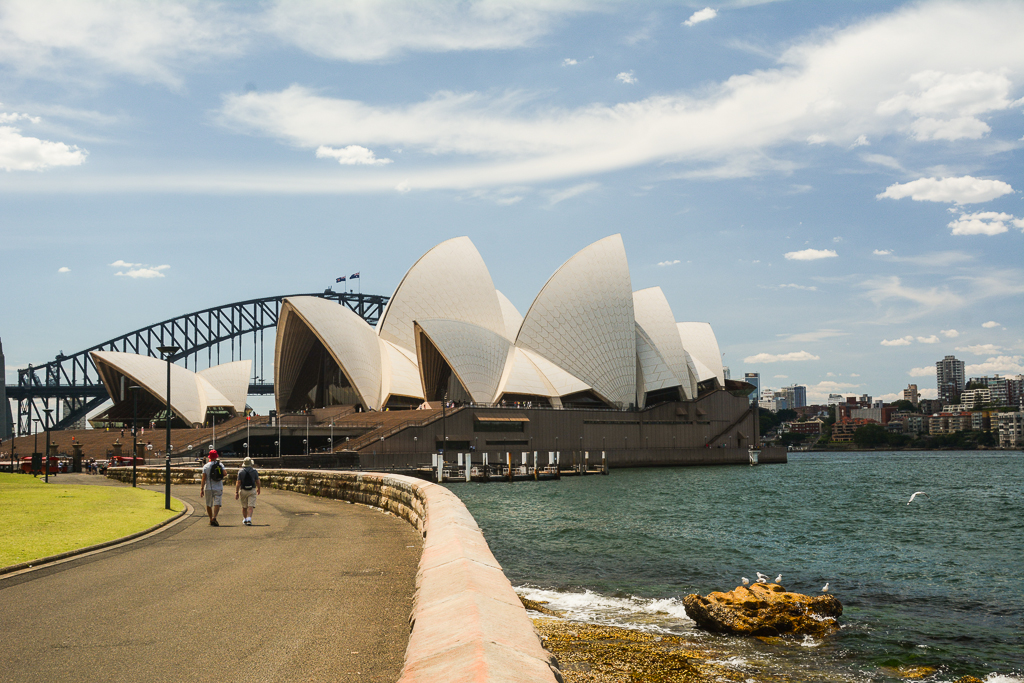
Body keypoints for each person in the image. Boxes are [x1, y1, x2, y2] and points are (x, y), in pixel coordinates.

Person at [200, 449, 226, 526]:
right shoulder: (220, 465)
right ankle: (215, 517)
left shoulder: (206, 466)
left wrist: (201, 488)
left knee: (208, 504)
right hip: (218, 487)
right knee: (217, 503)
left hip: (208, 487)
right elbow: (225, 473)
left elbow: (203, 478)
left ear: (209, 457)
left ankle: (210, 518)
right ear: (216, 456)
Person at [234, 456, 261, 526]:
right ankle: (249, 519)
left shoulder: (241, 471)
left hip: (243, 490)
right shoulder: (254, 471)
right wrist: (259, 489)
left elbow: (238, 482)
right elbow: (257, 481)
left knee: (244, 506)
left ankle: (245, 519)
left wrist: (236, 492)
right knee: (250, 506)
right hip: (252, 489)